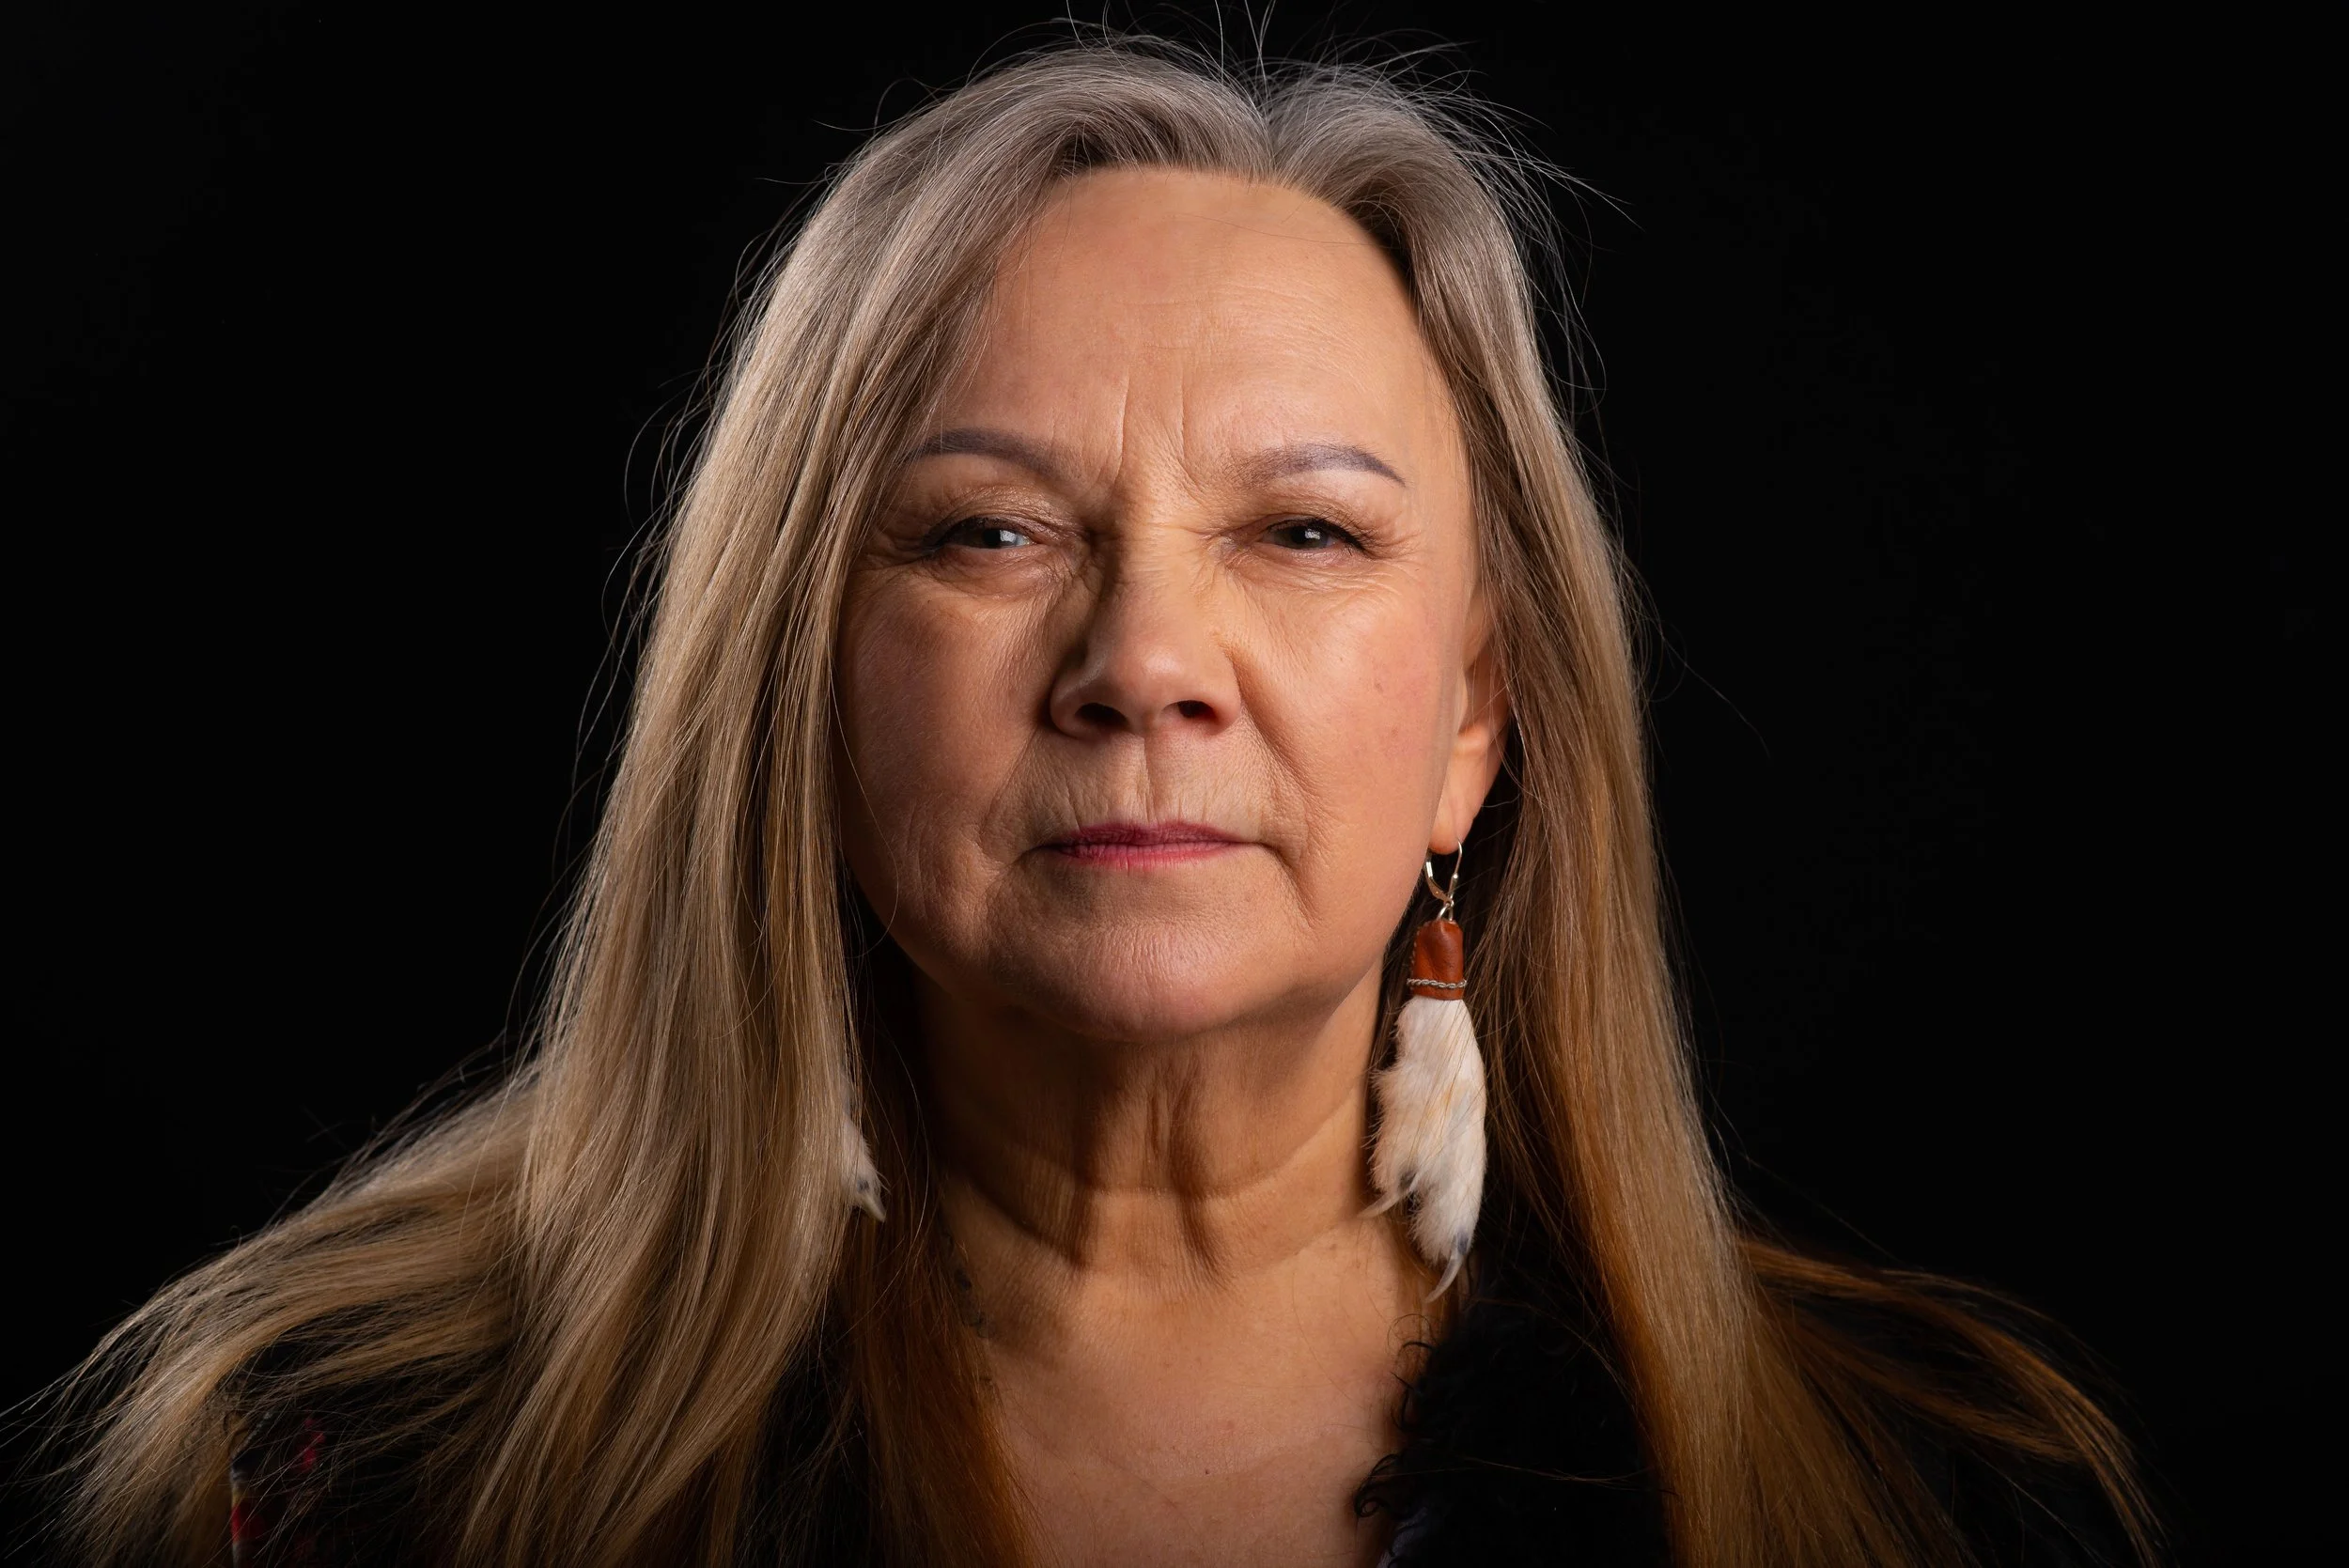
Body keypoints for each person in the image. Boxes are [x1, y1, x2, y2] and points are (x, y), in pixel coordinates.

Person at [51, 40, 2156, 1568]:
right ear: (798, 687)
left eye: (1305, 534)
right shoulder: (348, 1477)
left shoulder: (1932, 1497)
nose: (1144, 659)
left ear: (1473, 717)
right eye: (988, 532)